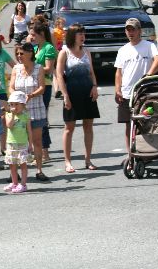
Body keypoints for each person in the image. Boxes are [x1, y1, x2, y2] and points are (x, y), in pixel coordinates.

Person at [56, 23, 100, 173]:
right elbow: (59, 76)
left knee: (88, 126)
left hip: (87, 92)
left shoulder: (86, 51)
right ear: (72, 36)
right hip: (72, 93)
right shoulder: (64, 52)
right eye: (79, 34)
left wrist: (94, 86)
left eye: (83, 33)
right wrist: (65, 95)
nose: (82, 36)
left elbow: (91, 72)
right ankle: (68, 161)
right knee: (69, 128)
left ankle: (88, 160)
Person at [114, 18, 158, 153]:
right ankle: (131, 154)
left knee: (146, 121)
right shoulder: (122, 50)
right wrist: (118, 90)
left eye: (133, 29)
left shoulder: (149, 46)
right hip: (127, 93)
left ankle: (146, 150)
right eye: (128, 30)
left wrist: (148, 75)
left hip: (145, 93)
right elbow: (118, 72)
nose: (130, 32)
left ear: (139, 31)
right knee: (128, 125)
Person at [8, 42, 48, 182]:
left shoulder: (39, 68)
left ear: (30, 53)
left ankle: (39, 170)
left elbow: (42, 87)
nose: (19, 56)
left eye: (22, 53)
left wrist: (30, 95)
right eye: (17, 53)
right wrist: (17, 99)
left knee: (36, 141)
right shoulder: (16, 69)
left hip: (35, 109)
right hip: (19, 111)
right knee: (17, 141)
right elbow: (11, 87)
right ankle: (16, 172)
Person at [28, 19, 57, 163]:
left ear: (41, 34)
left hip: (44, 86)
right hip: (34, 85)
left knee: (41, 119)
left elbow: (49, 68)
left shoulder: (48, 48)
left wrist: (33, 68)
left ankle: (45, 152)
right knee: (34, 119)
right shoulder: (35, 48)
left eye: (33, 35)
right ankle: (38, 151)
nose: (31, 37)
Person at [3, 90, 32, 194]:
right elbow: (9, 126)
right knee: (12, 164)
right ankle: (14, 182)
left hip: (22, 143)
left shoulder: (26, 116)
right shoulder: (9, 115)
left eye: (16, 104)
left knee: (23, 164)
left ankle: (23, 184)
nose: (14, 107)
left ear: (23, 105)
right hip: (11, 143)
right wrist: (14, 115)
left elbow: (29, 130)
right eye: (11, 105)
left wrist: (30, 144)